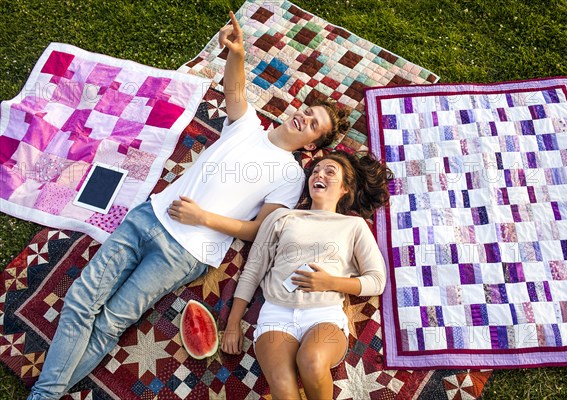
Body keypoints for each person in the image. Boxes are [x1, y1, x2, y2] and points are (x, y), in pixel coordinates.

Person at [27, 11, 349, 400]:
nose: (304, 119)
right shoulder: (247, 126)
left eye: (313, 125)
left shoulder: (291, 176)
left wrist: (203, 217)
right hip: (149, 216)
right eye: (307, 112)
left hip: (186, 252)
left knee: (111, 322)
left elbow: (258, 231)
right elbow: (235, 91)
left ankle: (43, 395)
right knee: (81, 298)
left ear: (312, 145)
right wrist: (237, 54)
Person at [221, 150, 393, 400]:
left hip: (323, 315)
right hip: (276, 314)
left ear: (345, 188)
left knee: (311, 361)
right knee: (281, 383)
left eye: (329, 171)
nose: (319, 174)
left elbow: (377, 280)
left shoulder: (353, 226)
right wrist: (233, 323)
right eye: (315, 171)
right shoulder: (282, 217)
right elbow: (253, 271)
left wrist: (330, 282)